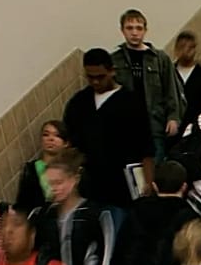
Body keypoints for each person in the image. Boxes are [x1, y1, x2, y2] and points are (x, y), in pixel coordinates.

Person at [31, 151, 121, 265]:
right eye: (50, 184)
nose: (54, 189)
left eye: (59, 182)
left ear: (74, 180)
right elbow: (39, 255)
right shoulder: (44, 216)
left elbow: (107, 257)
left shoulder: (95, 214)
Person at [63, 48, 155, 207]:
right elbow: (71, 145)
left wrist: (148, 182)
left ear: (112, 71)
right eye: (90, 77)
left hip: (123, 185)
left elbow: (146, 147)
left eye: (100, 77)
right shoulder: (79, 103)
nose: (96, 82)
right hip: (90, 185)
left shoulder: (130, 102)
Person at [112, 10, 185, 160]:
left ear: (145, 30)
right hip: (125, 126)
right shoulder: (115, 60)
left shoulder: (159, 58)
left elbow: (171, 89)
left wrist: (173, 117)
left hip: (154, 124)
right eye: (129, 28)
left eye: (138, 28)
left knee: (155, 166)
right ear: (122, 30)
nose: (134, 33)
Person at [126, 161, 200, 265]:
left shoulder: (137, 212)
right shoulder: (190, 217)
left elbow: (124, 253)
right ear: (184, 186)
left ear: (154, 185)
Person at [13, 120, 70, 213]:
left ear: (66, 143)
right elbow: (23, 204)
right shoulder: (31, 170)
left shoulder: (72, 167)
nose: (50, 139)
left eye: (57, 135)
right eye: (46, 135)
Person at [174, 32, 201, 130]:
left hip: (196, 129)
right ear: (176, 49)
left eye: (190, 47)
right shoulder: (169, 74)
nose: (186, 51)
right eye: (182, 47)